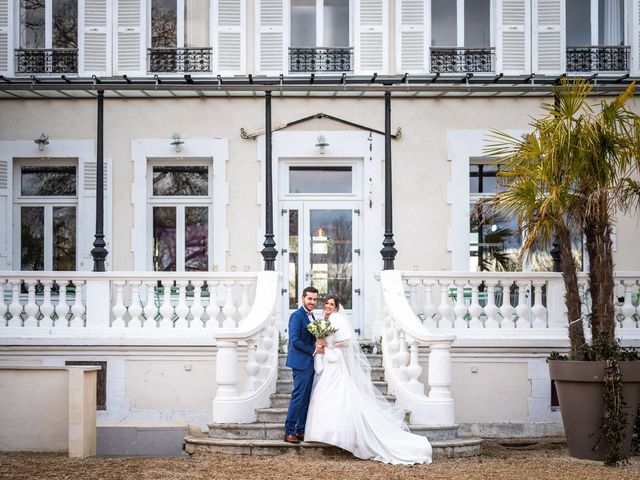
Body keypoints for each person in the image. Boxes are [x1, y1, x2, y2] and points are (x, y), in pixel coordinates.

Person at [304, 295, 433, 464]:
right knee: (324, 393)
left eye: (331, 304)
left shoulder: (337, 319)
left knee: (335, 392)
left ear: (336, 307)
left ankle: (336, 434)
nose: (328, 306)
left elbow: (346, 342)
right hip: (327, 361)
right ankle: (326, 432)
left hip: (335, 362)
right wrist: (320, 344)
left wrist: (329, 345)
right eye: (326, 303)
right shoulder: (323, 319)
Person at [283, 286, 326, 444]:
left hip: (310, 362)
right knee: (298, 397)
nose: (312, 302)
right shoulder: (296, 316)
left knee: (306, 398)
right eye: (310, 299)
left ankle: (300, 430)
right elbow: (295, 340)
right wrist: (315, 350)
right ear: (303, 299)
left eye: (315, 299)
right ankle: (288, 432)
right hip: (301, 362)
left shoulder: (313, 317)